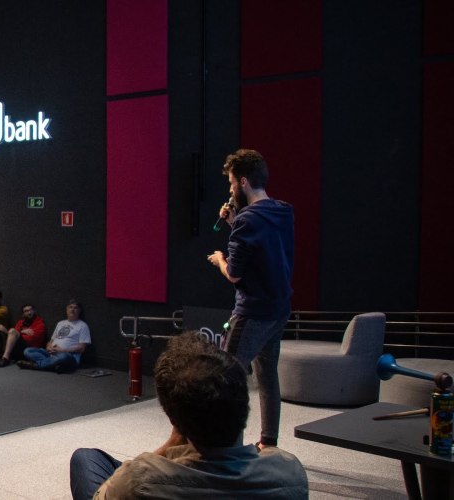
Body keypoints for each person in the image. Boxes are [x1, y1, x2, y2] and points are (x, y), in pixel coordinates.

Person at [69, 333, 308, 499]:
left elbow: (106, 493)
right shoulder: (290, 473)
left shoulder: (136, 481)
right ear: (244, 405)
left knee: (85, 459)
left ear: (174, 421)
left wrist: (169, 447)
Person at [207, 149, 295, 450]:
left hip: (252, 312)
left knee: (229, 378)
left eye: (232, 183)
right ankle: (269, 442)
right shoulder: (282, 212)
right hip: (278, 309)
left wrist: (220, 258)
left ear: (243, 182)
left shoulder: (248, 220)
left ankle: (230, 450)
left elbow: (234, 273)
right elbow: (263, 249)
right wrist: (235, 223)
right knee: (267, 376)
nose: (231, 190)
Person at [18, 300, 90, 373]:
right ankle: (53, 365)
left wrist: (62, 350)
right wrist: (49, 347)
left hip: (69, 356)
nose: (72, 309)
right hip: (51, 354)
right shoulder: (60, 323)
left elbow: (82, 348)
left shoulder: (83, 325)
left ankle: (37, 365)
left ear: (79, 311)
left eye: (75, 308)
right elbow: (51, 341)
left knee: (63, 357)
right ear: (66, 309)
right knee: (27, 351)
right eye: (70, 307)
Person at [0, 303, 46, 368]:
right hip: (17, 346)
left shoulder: (40, 323)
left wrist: (19, 334)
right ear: (23, 314)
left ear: (34, 311)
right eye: (26, 311)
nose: (29, 312)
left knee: (12, 331)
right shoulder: (21, 322)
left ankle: (5, 358)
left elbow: (31, 339)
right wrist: (22, 332)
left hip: (29, 348)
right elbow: (14, 335)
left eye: (30, 310)